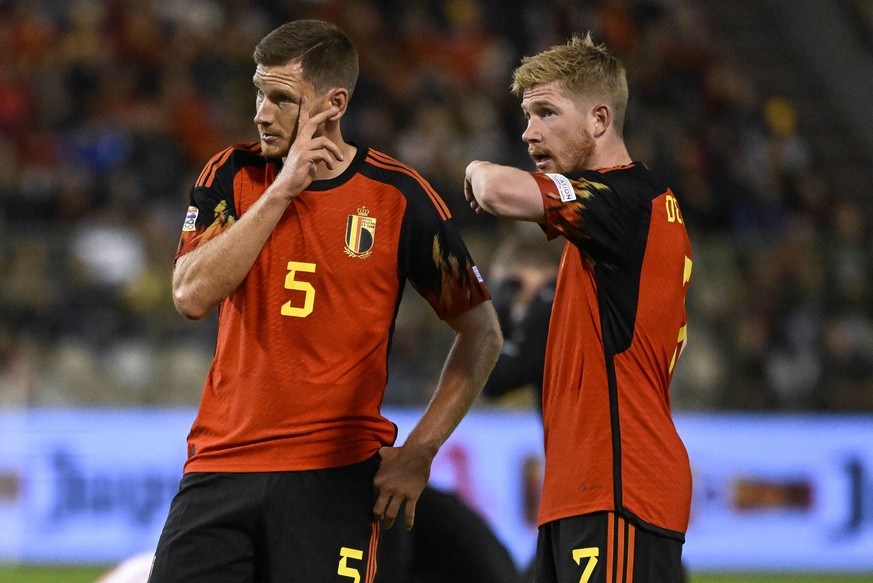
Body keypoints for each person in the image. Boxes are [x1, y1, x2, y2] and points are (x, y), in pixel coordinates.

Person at [149, 19, 502, 582]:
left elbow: (482, 331)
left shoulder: (398, 197)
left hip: (335, 478)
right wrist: (283, 189)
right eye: (259, 94)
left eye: (282, 98)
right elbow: (190, 294)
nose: (262, 112)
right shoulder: (233, 174)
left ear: (334, 104)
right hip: (221, 466)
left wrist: (420, 452)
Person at [464, 33, 693, 582]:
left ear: (598, 119)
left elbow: (496, 189)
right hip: (581, 491)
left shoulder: (627, 202)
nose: (529, 131)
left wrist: (473, 167)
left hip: (618, 487)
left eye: (546, 112)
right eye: (526, 115)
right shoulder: (614, 218)